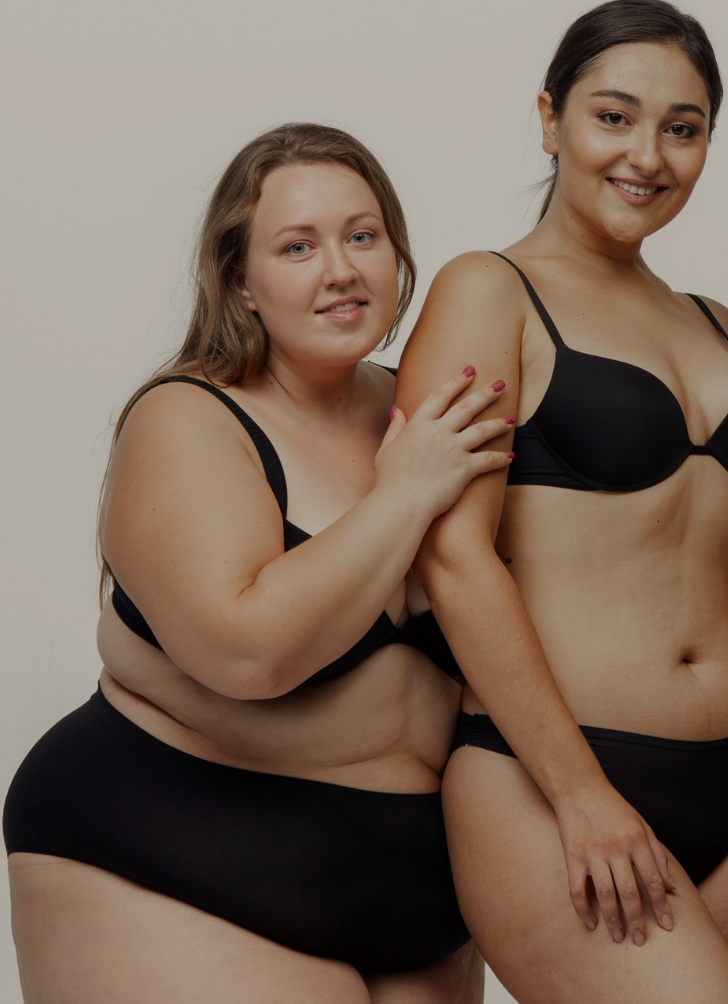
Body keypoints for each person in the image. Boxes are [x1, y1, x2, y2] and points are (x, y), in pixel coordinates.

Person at [3, 123, 512, 1004]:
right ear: (239, 280)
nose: (340, 269)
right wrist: (404, 495)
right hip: (174, 856)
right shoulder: (188, 417)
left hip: (418, 892)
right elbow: (247, 651)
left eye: (363, 235)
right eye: (297, 246)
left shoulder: (428, 410)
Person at [395, 0, 728, 1004]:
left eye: (684, 130)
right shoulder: (488, 291)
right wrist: (581, 794)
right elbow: (453, 560)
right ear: (551, 120)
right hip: (555, 774)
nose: (648, 155)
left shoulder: (718, 325)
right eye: (615, 117)